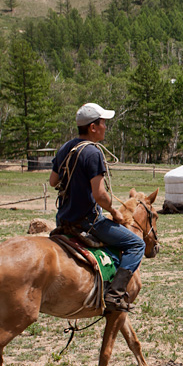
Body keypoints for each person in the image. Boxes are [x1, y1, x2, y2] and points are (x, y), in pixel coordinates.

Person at [49, 102, 144, 313]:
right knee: (136, 244)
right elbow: (100, 195)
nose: (105, 127)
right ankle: (115, 294)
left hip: (63, 220)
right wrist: (115, 212)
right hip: (88, 222)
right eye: (103, 123)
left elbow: (53, 181)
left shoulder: (66, 147)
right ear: (93, 127)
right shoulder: (92, 153)